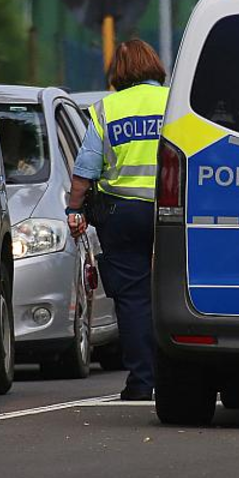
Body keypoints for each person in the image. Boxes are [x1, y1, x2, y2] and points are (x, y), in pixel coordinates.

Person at [66, 40, 167, 401]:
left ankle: (142, 382)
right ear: (154, 65)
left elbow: (84, 171)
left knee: (134, 299)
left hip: (122, 215)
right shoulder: (174, 103)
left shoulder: (107, 110)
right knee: (174, 292)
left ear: (118, 72)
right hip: (172, 213)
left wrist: (74, 211)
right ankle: (177, 376)